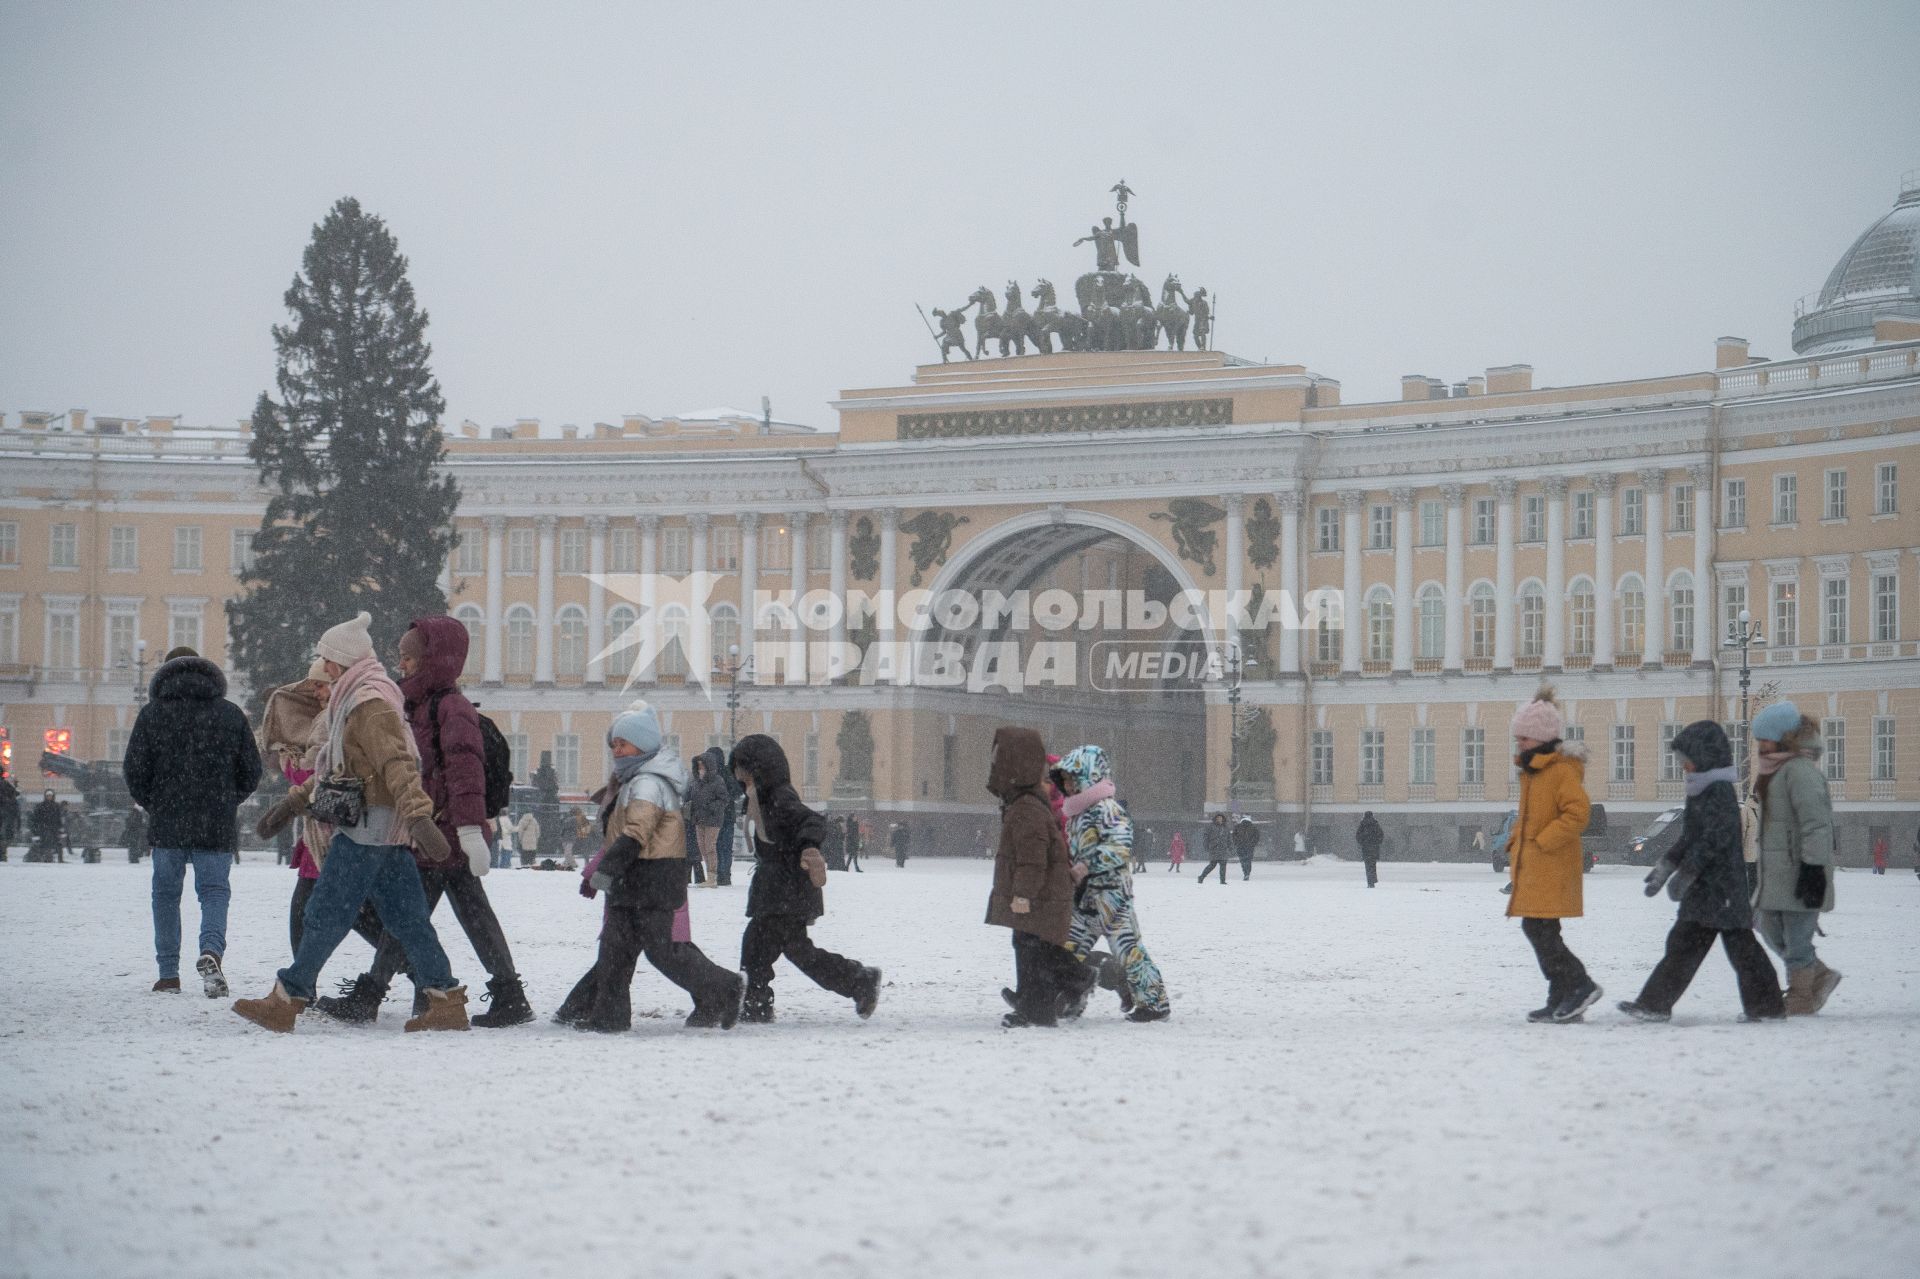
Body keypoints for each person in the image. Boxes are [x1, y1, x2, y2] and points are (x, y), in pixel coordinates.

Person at [239, 611, 468, 1033]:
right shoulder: (355, 699)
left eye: (327, 659)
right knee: (407, 920)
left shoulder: (369, 703)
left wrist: (418, 816)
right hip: (379, 828)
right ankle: (445, 999)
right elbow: (340, 769)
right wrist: (294, 802)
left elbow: (396, 761)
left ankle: (286, 999)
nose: (323, 668)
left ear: (342, 660)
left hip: (368, 829)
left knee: (326, 912)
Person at [314, 616, 532, 1028]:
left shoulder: (451, 708)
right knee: (452, 916)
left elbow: (466, 775)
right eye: (400, 657)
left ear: (435, 659)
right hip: (430, 832)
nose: (402, 665)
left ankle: (375, 994)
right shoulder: (415, 703)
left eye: (410, 658)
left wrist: (468, 830)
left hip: (442, 834)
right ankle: (505, 994)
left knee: (410, 917)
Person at [553, 705, 743, 1033]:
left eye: (623, 744)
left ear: (642, 745)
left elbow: (635, 832)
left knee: (662, 950)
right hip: (634, 878)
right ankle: (609, 1017)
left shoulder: (649, 782)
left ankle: (724, 988)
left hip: (654, 877)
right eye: (613, 744)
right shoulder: (633, 778)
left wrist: (606, 869)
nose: (616, 750)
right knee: (615, 950)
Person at [1617, 722, 1786, 1023]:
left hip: (1721, 890)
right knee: (1687, 947)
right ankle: (1656, 1003)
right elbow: (1689, 837)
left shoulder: (1717, 791)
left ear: (1705, 757)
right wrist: (1667, 866)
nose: (1683, 766)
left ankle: (1767, 1007)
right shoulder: (1701, 790)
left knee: (1739, 950)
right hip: (1710, 891)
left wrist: (1688, 872)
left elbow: (1714, 840)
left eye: (1687, 759)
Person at [122, 645, 262, 997]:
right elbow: (252, 771)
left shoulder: (152, 714)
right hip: (215, 824)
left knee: (165, 895)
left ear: (164, 675)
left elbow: (134, 771)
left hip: (168, 823)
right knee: (214, 893)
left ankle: (168, 974)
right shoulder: (231, 714)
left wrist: (156, 803)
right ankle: (211, 951)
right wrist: (228, 800)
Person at [731, 733, 882, 1023]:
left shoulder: (779, 795)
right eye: (738, 771)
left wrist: (809, 847)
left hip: (787, 888)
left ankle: (758, 999)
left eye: (746, 771)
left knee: (770, 948)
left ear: (762, 769)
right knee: (778, 948)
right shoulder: (756, 798)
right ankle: (855, 980)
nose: (741, 777)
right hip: (776, 888)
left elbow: (812, 820)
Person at [1506, 686, 1601, 1024]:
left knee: (1540, 931)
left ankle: (1580, 985)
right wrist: (1515, 841)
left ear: (1543, 739)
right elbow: (1530, 816)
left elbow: (1578, 814)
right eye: (1518, 739)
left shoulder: (1560, 771)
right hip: (1537, 867)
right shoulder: (1534, 772)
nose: (1520, 745)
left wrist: (1544, 841)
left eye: (1525, 739)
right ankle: (1560, 996)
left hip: (1552, 866)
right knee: (1542, 931)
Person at [1057, 744, 1169, 1022]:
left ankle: (1155, 1004)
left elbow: (1119, 848)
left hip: (1112, 899)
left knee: (1129, 952)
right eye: (1064, 780)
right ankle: (1071, 998)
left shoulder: (1108, 810)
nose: (1067, 785)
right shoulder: (1076, 815)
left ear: (1088, 777)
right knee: (1067, 951)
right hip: (1085, 900)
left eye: (1072, 778)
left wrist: (1085, 866)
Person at [1749, 702, 1841, 1015]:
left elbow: (1816, 824)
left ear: (1783, 738)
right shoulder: (1775, 769)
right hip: (1777, 874)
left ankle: (1802, 997)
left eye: (1765, 739)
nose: (1760, 745)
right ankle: (1819, 975)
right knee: (1769, 928)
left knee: (1798, 940)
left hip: (1801, 871)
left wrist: (1813, 868)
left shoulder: (1800, 771)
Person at [985, 727, 1078, 1028]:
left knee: (1033, 952)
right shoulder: (1024, 803)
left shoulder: (1026, 808)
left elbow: (1032, 858)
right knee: (1030, 948)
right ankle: (1036, 1000)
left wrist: (1023, 893)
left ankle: (1038, 1008)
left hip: (1040, 896)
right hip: (1044, 894)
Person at [687, 747, 730, 887]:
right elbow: (691, 796)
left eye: (702, 764)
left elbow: (724, 799)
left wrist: (710, 807)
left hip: (713, 819)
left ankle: (712, 876)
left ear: (709, 765)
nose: (700, 767)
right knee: (702, 848)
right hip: (699, 819)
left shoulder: (717, 780)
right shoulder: (696, 781)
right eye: (698, 764)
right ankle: (709, 876)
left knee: (710, 847)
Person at [29, 789, 67, 862]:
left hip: (54, 828)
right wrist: (36, 828)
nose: (49, 797)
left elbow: (58, 817)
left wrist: (61, 828)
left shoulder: (56, 806)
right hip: (44, 828)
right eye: (48, 796)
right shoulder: (40, 806)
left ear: (53, 796)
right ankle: (48, 858)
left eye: (50, 796)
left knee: (58, 844)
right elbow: (36, 818)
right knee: (46, 843)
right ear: (45, 796)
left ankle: (60, 859)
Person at [1197, 812, 1231, 884]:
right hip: (1214, 849)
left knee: (1223, 866)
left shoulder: (1226, 828)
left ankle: (1222, 880)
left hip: (1223, 849)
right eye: (1218, 818)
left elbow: (1229, 838)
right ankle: (1202, 876)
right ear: (1215, 819)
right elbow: (1206, 837)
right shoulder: (1211, 827)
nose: (1219, 819)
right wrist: (1206, 846)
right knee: (1212, 865)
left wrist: (1230, 847)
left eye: (1221, 818)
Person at [1356, 811, 1384, 887]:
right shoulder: (1375, 824)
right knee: (1373, 865)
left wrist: (1363, 842)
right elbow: (1381, 835)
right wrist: (1376, 843)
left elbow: (1358, 836)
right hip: (1374, 849)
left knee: (1367, 866)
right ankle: (1373, 880)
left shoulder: (1362, 825)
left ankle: (1370, 882)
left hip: (1366, 849)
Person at [0, 769, 20, 859]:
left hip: (4, 813)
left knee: (3, 834)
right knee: (4, 835)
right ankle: (2, 853)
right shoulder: (5, 784)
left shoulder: (4, 784)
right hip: (5, 813)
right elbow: (14, 794)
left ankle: (2, 852)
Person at [1233, 815, 1259, 880]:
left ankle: (1245, 872)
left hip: (1240, 846)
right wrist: (1253, 844)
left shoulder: (1237, 827)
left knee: (1242, 860)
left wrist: (1236, 843)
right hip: (1249, 847)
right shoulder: (1253, 827)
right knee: (1248, 860)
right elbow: (1257, 837)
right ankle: (1247, 873)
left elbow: (1233, 836)